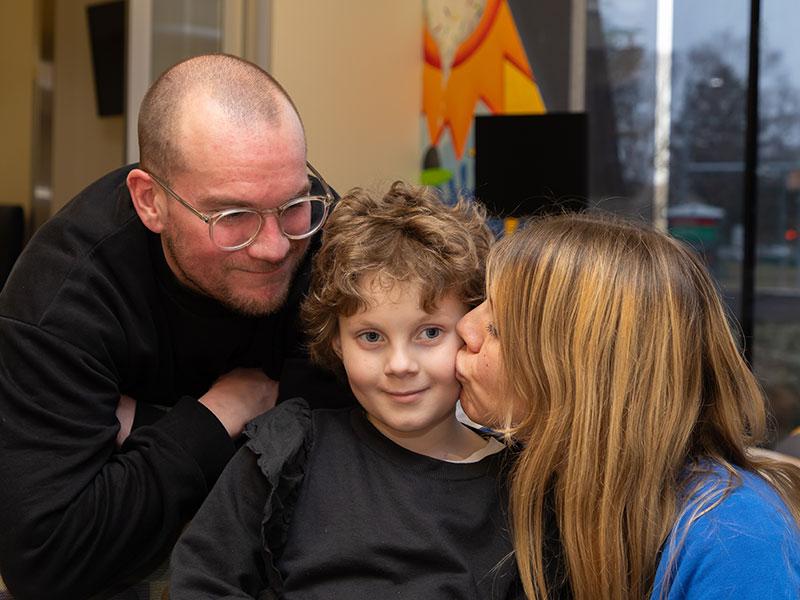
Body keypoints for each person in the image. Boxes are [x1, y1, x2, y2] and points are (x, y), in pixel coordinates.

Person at [0, 54, 352, 600]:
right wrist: (218, 414)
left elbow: (341, 477)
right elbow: (47, 560)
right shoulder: (61, 299)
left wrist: (146, 426)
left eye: (292, 205)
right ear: (151, 202)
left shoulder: (328, 244)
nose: (275, 246)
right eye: (232, 216)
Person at [170, 183, 524, 599]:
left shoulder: (519, 485)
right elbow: (202, 580)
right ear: (337, 342)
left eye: (429, 333)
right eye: (371, 337)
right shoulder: (290, 452)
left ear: (470, 329)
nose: (400, 365)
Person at [455, 212, 800, 600]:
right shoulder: (517, 470)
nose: (464, 327)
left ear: (581, 375)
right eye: (479, 303)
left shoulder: (733, 539)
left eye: (497, 328)